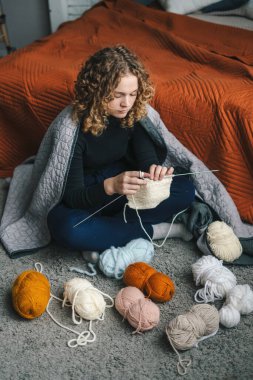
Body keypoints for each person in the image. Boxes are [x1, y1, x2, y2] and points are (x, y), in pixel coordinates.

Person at [47, 45, 195, 262]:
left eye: (133, 94)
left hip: (125, 183)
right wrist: (110, 186)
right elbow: (71, 197)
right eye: (117, 95)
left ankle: (100, 235)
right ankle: (157, 231)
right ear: (97, 91)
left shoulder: (134, 113)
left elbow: (147, 160)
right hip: (91, 190)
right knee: (66, 228)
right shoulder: (70, 127)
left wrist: (154, 173)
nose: (126, 103)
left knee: (185, 188)